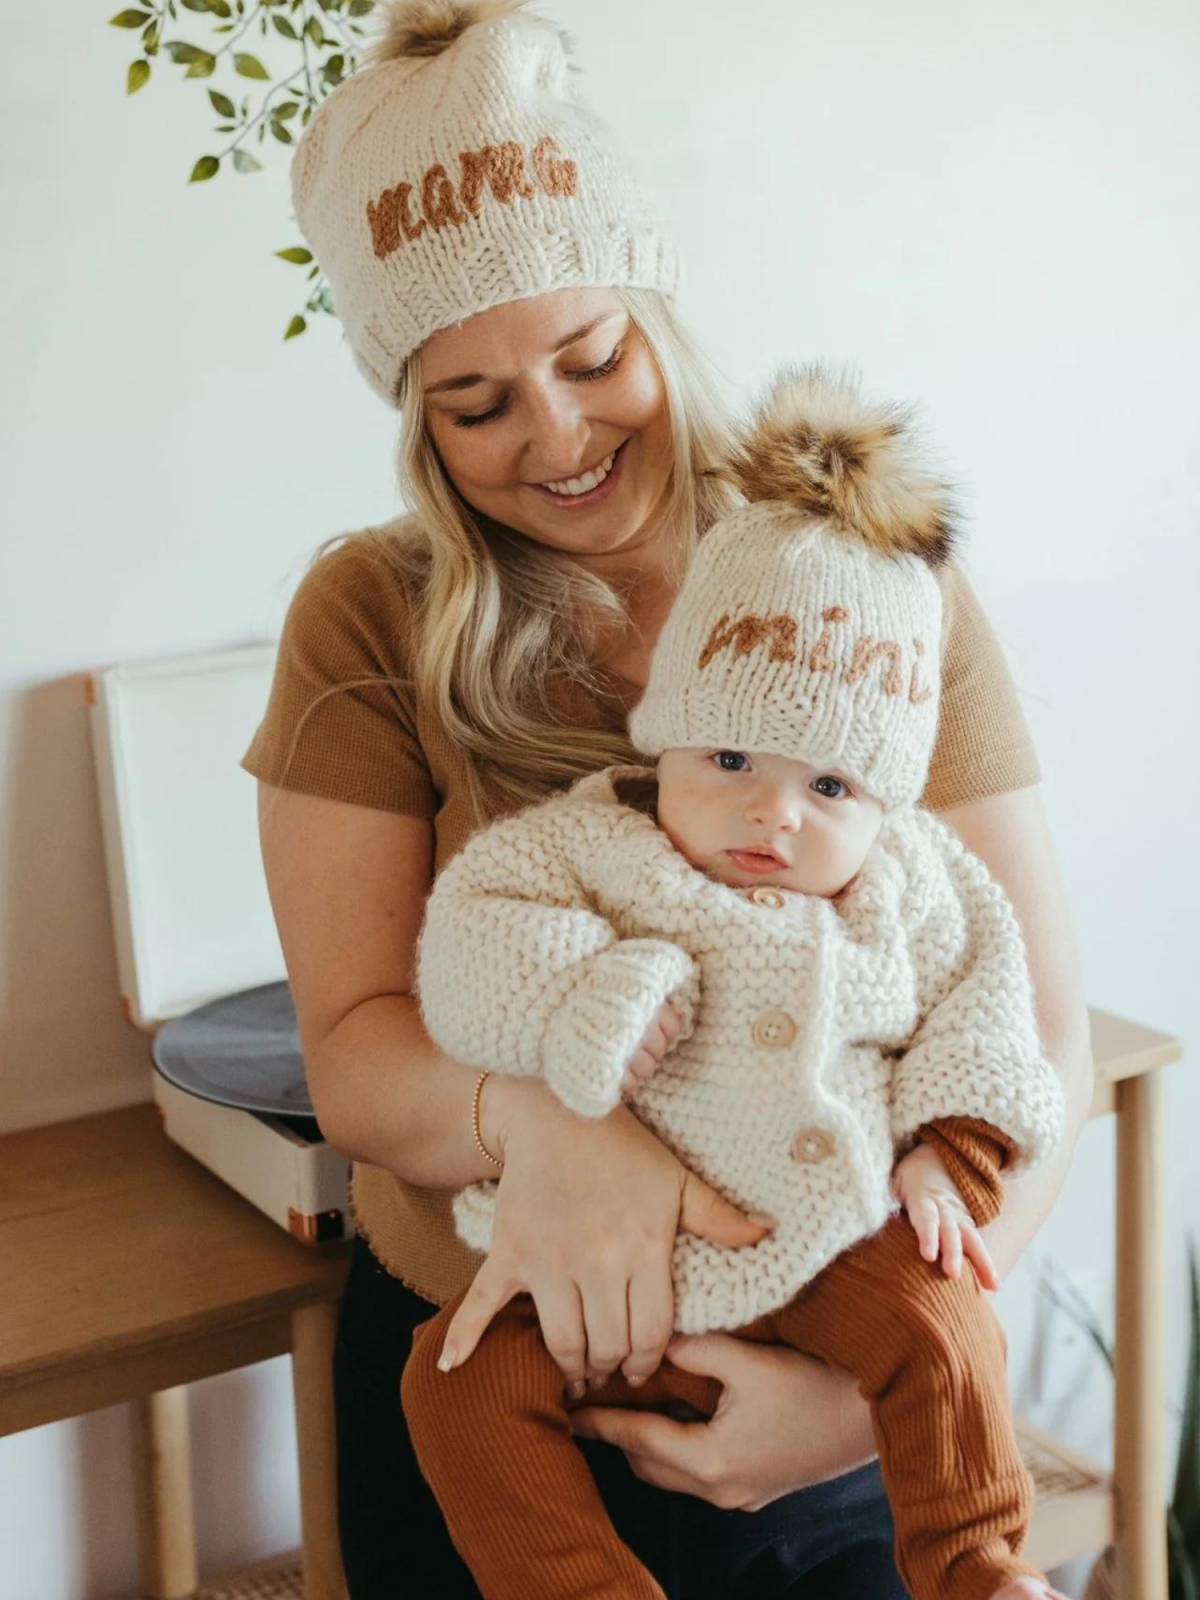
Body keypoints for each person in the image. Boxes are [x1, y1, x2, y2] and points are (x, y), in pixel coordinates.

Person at [242, 2, 1094, 1595]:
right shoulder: (369, 617)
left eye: (591, 355)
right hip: (509, 1397)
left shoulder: (859, 578)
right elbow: (353, 1058)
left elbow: (1028, 1026)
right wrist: (546, 1129)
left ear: (656, 307)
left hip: (831, 1404)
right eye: (475, 402)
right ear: (411, 417)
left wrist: (860, 1400)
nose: (558, 436)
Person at [401, 365, 1069, 1600]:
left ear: (883, 802)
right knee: (458, 1378)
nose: (773, 810)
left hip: (834, 1234)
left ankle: (976, 1563)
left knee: (944, 1328)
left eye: (831, 787)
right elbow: (468, 941)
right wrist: (595, 990)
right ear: (666, 739)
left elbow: (994, 1011)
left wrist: (952, 1154)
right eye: (730, 756)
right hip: (604, 1259)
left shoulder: (919, 882)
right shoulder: (595, 841)